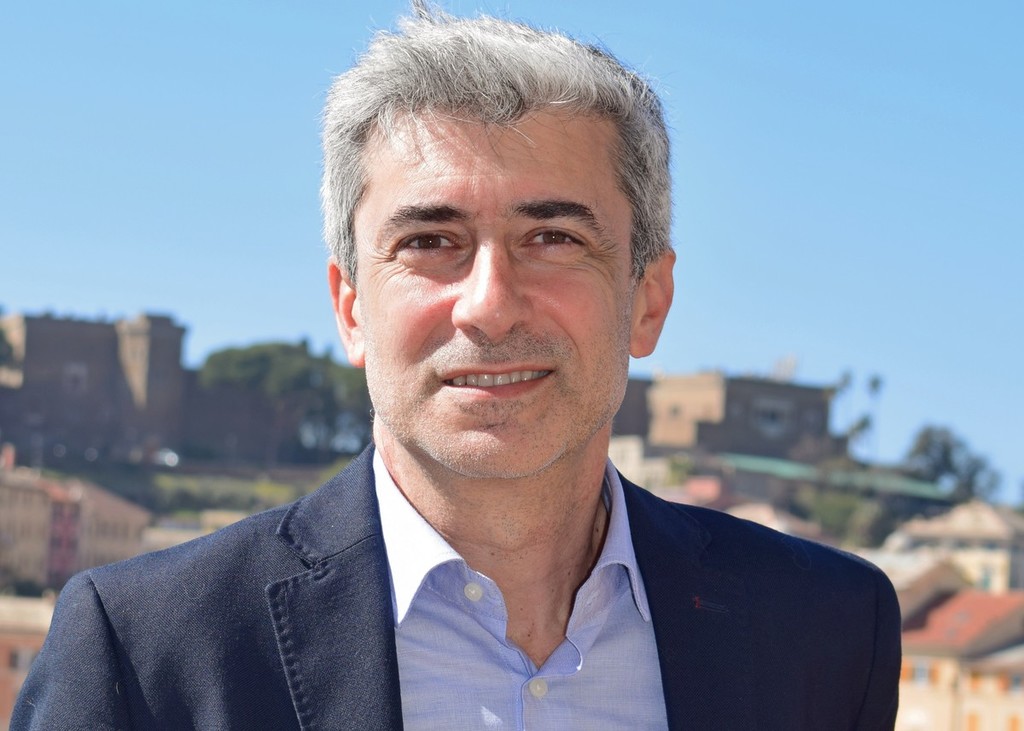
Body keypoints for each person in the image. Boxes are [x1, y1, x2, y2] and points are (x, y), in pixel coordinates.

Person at [13, 5, 900, 730]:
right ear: (351, 307)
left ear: (647, 299)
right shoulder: (144, 654)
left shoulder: (824, 633)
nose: (489, 304)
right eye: (431, 241)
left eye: (553, 237)